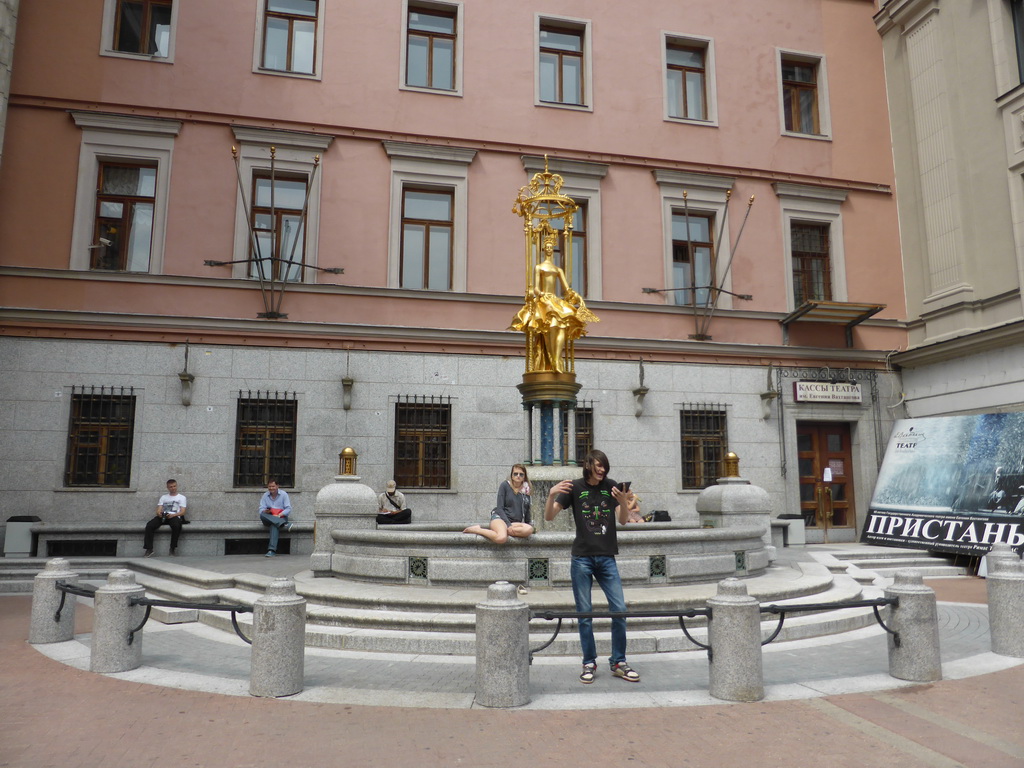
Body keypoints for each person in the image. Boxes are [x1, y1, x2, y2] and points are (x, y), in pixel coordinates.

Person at [546, 449, 640, 685]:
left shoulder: (611, 486)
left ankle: (619, 662)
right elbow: (549, 517)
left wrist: (622, 502)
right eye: (598, 466)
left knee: (619, 610)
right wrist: (550, 495)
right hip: (582, 558)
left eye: (604, 466)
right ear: (588, 465)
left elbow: (623, 520)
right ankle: (589, 662)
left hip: (607, 557)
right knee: (585, 614)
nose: (602, 470)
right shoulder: (575, 488)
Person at [510, 232, 598, 373]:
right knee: (551, 324)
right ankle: (552, 359)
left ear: (553, 248)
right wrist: (541, 294)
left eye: (551, 246)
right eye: (547, 246)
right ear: (544, 249)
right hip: (545, 300)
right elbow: (536, 287)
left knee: (563, 324)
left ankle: (557, 359)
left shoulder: (558, 269)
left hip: (555, 300)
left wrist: (573, 294)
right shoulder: (539, 267)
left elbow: (566, 289)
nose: (549, 249)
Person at [463, 464, 534, 543]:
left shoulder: (526, 491)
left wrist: (528, 524)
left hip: (514, 523)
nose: (518, 476)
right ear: (512, 475)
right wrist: (508, 525)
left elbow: (527, 511)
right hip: (500, 519)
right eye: (515, 474)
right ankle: (478, 529)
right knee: (501, 538)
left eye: (521, 474)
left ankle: (504, 530)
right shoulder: (505, 486)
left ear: (524, 476)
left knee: (529, 529)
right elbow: (500, 508)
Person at [144, 479, 187, 557]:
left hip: (174, 516)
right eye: (171, 487)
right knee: (150, 525)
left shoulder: (182, 498)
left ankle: (172, 548)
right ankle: (149, 549)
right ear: (167, 488)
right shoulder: (164, 497)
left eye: (174, 486)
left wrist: (173, 515)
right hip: (163, 516)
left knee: (177, 526)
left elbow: (183, 511)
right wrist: (159, 514)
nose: (173, 488)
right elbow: (158, 509)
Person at [259, 479, 292, 557]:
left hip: (280, 516)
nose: (271, 488)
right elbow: (260, 509)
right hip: (269, 517)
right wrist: (266, 511)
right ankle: (284, 524)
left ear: (277, 486)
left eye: (273, 486)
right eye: (269, 486)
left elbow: (288, 508)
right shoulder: (265, 495)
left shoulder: (284, 494)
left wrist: (279, 515)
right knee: (262, 515)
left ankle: (271, 550)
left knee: (274, 525)